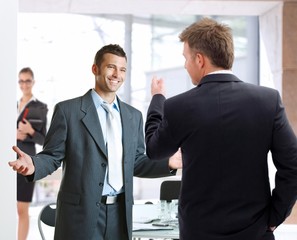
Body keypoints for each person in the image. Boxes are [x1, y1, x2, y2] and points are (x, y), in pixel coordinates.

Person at [145, 18, 297, 240]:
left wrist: (157, 100)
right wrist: (274, 216)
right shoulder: (267, 101)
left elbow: (153, 149)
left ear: (199, 59)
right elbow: (292, 166)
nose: (185, 65)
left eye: (186, 58)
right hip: (254, 233)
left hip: (198, 234)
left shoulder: (179, 106)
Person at [9, 44, 182, 240]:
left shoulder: (133, 116)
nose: (117, 74)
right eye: (111, 67)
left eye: (122, 69)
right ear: (95, 69)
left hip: (120, 215)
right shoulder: (68, 111)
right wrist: (33, 164)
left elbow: (135, 162)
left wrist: (168, 163)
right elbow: (52, 156)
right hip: (80, 216)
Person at [16, 67, 48, 240]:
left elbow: (44, 140)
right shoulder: (10, 105)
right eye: (21, 81)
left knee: (22, 209)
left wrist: (30, 131)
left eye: (27, 80)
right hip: (7, 161)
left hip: (26, 163)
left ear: (33, 82)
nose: (24, 84)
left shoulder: (40, 107)